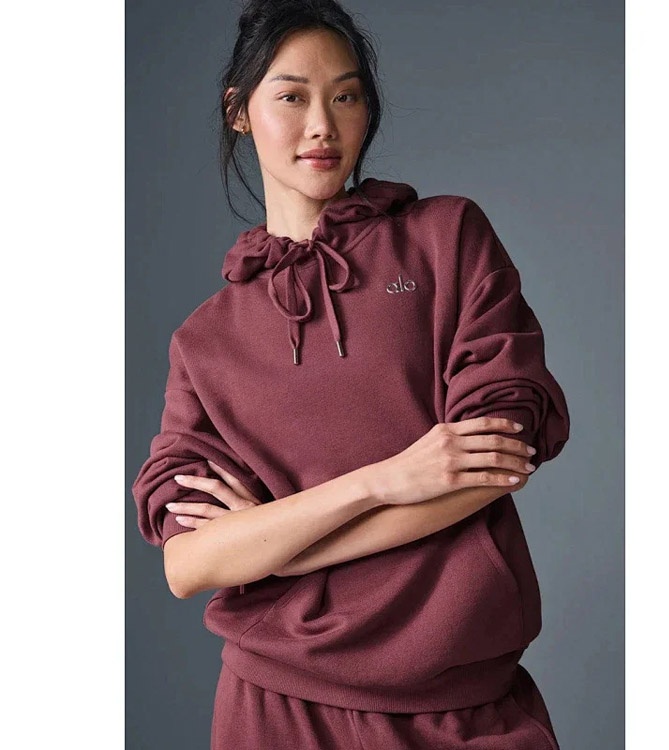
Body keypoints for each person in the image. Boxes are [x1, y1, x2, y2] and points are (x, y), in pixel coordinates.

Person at [131, 1, 571, 747]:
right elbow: (189, 563)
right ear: (239, 112)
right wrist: (385, 480)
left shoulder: (445, 240)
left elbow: (492, 460)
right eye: (292, 97)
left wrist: (274, 548)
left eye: (346, 96)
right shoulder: (205, 341)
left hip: (463, 699)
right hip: (274, 708)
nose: (322, 126)